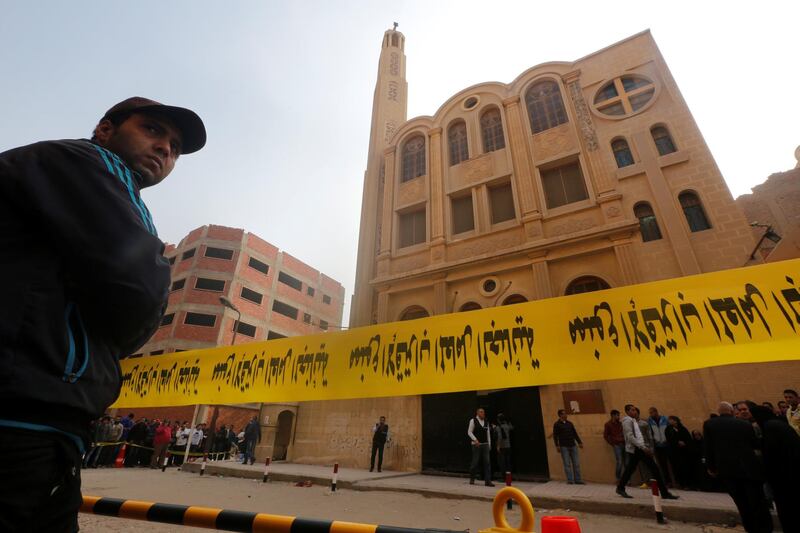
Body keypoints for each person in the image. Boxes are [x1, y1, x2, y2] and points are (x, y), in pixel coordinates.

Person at [0, 96, 205, 531]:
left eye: (174, 147)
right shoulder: (89, 162)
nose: (165, 149)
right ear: (106, 129)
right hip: (23, 419)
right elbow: (139, 287)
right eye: (152, 130)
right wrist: (113, 343)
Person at [704, 402, 772, 533]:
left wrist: (711, 467)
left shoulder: (709, 424)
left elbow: (708, 447)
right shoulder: (744, 424)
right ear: (731, 411)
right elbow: (754, 444)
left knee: (742, 503)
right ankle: (764, 528)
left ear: (719, 412)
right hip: (749, 469)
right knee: (757, 502)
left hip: (728, 471)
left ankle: (751, 528)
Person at [750, 405, 800, 533]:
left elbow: (772, 456)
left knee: (788, 510)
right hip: (791, 475)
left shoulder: (770, 428)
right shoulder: (778, 424)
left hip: (783, 479)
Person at [616, 404, 678, 499]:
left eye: (635, 410)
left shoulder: (636, 422)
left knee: (632, 469)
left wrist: (647, 447)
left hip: (640, 448)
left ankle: (620, 488)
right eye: (632, 410)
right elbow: (630, 436)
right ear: (627, 412)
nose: (635, 411)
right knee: (653, 468)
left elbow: (645, 436)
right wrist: (643, 447)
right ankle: (664, 493)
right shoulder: (627, 422)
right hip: (636, 449)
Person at [553, 409, 584, 485]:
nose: (566, 415)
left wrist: (579, 442)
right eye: (564, 414)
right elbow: (555, 436)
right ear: (560, 415)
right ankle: (570, 480)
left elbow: (574, 433)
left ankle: (578, 480)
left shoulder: (570, 423)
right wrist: (557, 445)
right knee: (567, 464)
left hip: (573, 445)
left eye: (566, 414)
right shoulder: (557, 424)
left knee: (576, 464)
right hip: (564, 446)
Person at [665, 416, 694, 489]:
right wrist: (677, 442)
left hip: (684, 452)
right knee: (677, 468)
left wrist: (685, 443)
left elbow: (688, 438)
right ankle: (681, 484)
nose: (669, 421)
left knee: (686, 468)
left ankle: (688, 484)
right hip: (674, 452)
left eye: (671, 420)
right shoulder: (668, 429)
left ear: (675, 421)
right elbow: (669, 439)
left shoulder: (682, 428)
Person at [467, 408, 494, 486]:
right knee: (475, 462)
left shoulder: (486, 421)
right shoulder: (473, 420)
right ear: (477, 413)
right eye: (481, 412)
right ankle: (472, 478)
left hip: (485, 444)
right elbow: (469, 432)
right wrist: (475, 440)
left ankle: (488, 481)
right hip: (476, 445)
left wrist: (489, 444)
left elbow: (488, 433)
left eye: (484, 412)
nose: (483, 414)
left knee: (487, 463)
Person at [647, 407, 672, 486]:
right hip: (658, 445)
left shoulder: (665, 419)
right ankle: (668, 482)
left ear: (656, 412)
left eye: (651, 413)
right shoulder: (650, 421)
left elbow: (669, 430)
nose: (650, 414)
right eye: (650, 413)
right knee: (662, 464)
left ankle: (676, 481)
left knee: (672, 463)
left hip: (667, 444)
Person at [603, 409, 625, 481]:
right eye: (617, 415)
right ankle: (618, 478)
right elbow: (605, 436)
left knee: (626, 462)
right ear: (613, 416)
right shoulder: (608, 424)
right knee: (620, 461)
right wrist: (612, 443)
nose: (619, 417)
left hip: (623, 443)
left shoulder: (620, 424)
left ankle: (626, 479)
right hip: (616, 445)